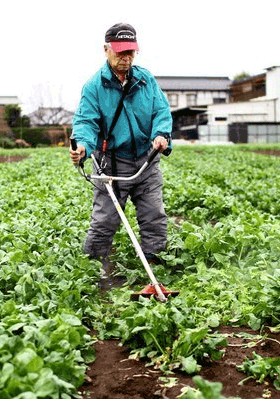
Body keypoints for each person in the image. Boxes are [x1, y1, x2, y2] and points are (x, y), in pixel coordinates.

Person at [70, 22, 173, 277]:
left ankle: (155, 264)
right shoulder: (95, 87)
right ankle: (92, 270)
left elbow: (161, 110)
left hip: (146, 160)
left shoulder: (145, 79)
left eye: (130, 52)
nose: (126, 58)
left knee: (153, 215)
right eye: (120, 52)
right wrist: (82, 145)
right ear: (106, 50)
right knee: (105, 220)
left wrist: (161, 135)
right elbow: (85, 122)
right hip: (111, 164)